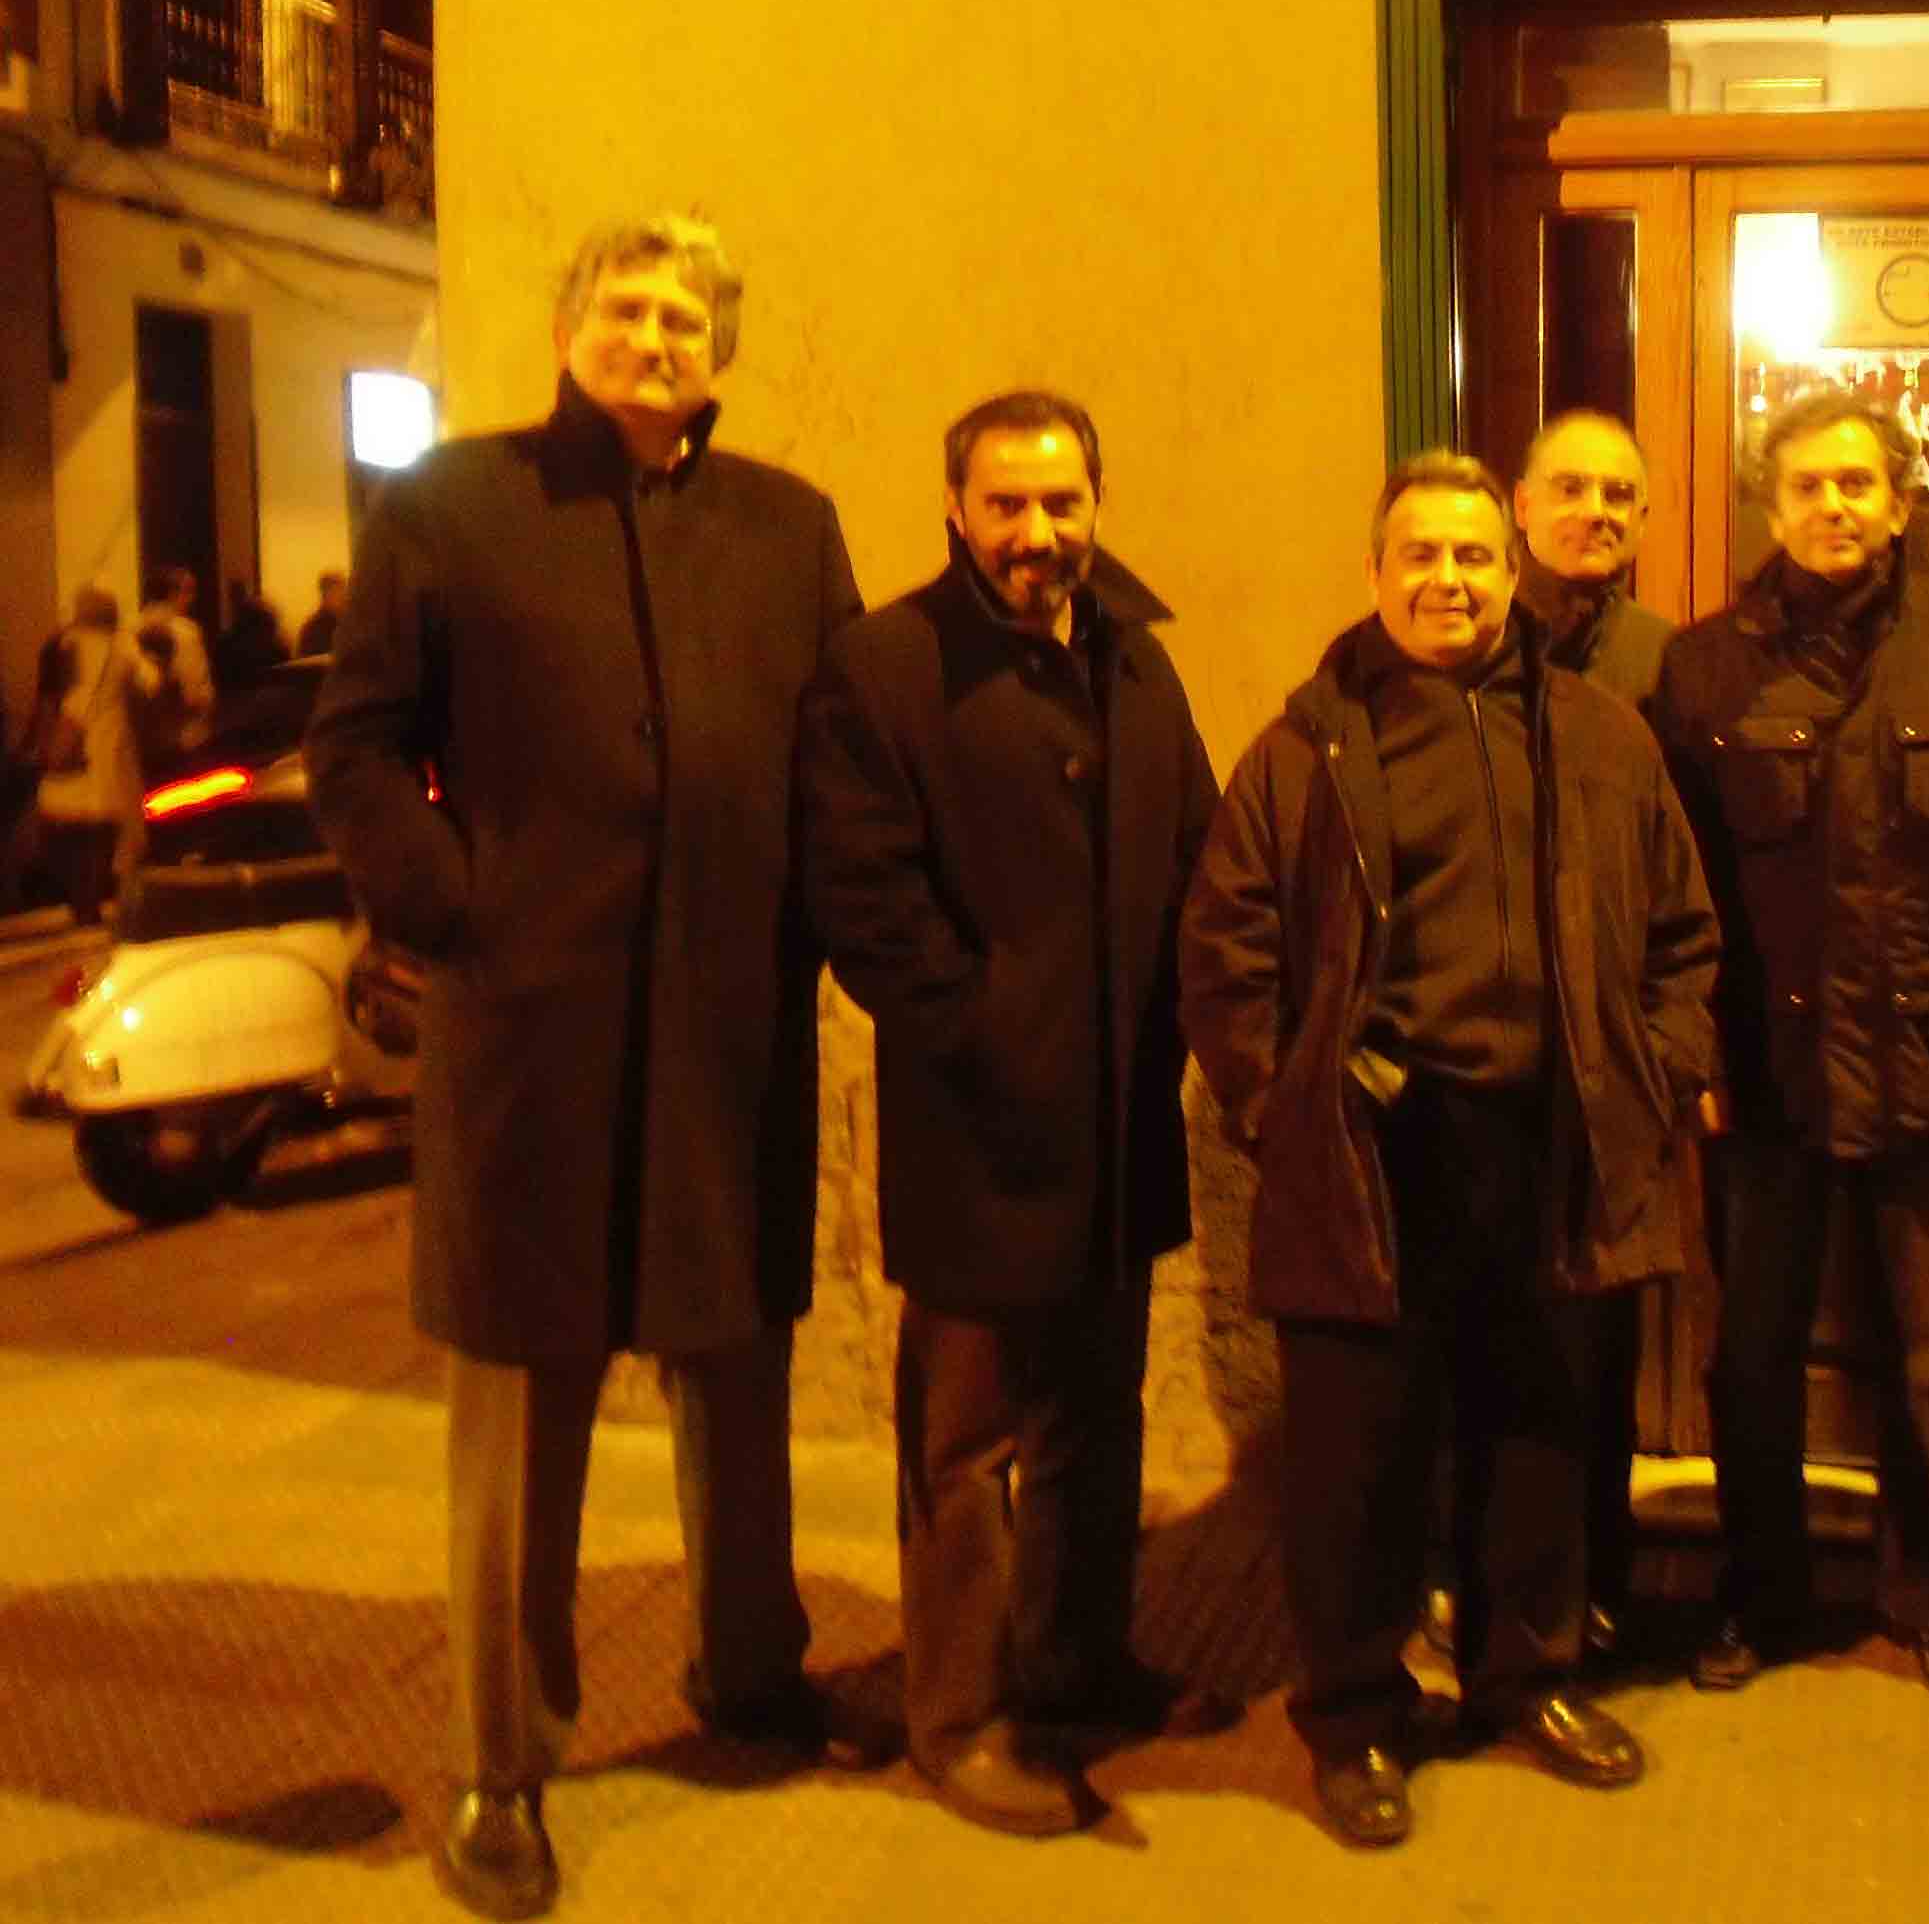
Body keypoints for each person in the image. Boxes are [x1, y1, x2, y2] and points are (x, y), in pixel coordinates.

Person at [307, 216, 878, 1920]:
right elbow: (354, 743)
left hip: (730, 1025)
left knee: (738, 1369)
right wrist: (448, 906)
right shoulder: (451, 505)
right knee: (518, 1416)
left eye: (686, 315)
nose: (654, 334)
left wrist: (842, 934)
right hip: (528, 1038)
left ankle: (749, 1666)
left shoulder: (789, 526)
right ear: (567, 331)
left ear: (720, 353)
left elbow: (842, 754)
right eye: (624, 307)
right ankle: (502, 1759)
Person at [1180, 452, 1719, 1848]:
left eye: (1474, 556)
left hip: (1550, 1142)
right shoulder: (1305, 747)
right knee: (1356, 1460)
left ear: (1510, 572)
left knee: (1536, 1434)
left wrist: (1654, 1073)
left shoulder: (1600, 735)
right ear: (1375, 574)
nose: (1449, 579)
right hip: (1373, 1151)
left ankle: (1524, 1676)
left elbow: (1683, 930)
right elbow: (1226, 950)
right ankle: (1355, 1715)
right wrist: (1285, 1103)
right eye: (1420, 554)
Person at [801, 390, 1234, 1837]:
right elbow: (862, 896)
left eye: (1062, 501)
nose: (1037, 531)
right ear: (956, 509)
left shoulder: (1135, 656)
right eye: (1007, 504)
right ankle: (961, 1716)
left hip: (1120, 1123)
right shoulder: (886, 666)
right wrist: (985, 1031)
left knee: (1096, 1419)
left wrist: (1183, 1022)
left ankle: (1078, 1658)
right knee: (965, 1446)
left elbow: (1195, 844)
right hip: (980, 1127)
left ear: (1096, 503)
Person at [1651, 389, 1929, 1705]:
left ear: (1898, 503)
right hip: (1766, 1079)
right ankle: (1759, 1591)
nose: (1833, 504)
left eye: (1857, 483)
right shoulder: (1706, 669)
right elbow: (1675, 888)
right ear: (1771, 506)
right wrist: (1697, 1056)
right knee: (1752, 1356)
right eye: (1807, 484)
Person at [1512, 408, 1674, 1646]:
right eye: (1571, 487)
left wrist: (1672, 1054)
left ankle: (1599, 1585)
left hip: (1611, 1069)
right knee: (1488, 1345)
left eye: (1619, 495)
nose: (1596, 512)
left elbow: (1689, 877)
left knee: (1599, 1348)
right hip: (1483, 1057)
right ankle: (1483, 1581)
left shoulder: (1670, 665)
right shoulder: (1455, 630)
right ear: (1522, 506)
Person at [31, 588, 145, 923]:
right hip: (106, 750)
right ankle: (99, 900)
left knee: (74, 829)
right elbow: (150, 685)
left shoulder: (66, 644)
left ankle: (84, 902)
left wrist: (48, 743)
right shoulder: (121, 647)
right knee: (103, 830)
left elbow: (59, 697)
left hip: (73, 751)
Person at [128, 566, 216, 780]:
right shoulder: (185, 632)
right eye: (189, 591)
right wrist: (207, 700)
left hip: (141, 738)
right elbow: (193, 686)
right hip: (183, 735)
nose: (192, 599)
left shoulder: (128, 629)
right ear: (174, 593)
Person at [297, 570, 347, 659]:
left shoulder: (349, 624)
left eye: (343, 591)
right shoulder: (312, 629)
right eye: (335, 592)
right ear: (325, 595)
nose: (342, 597)